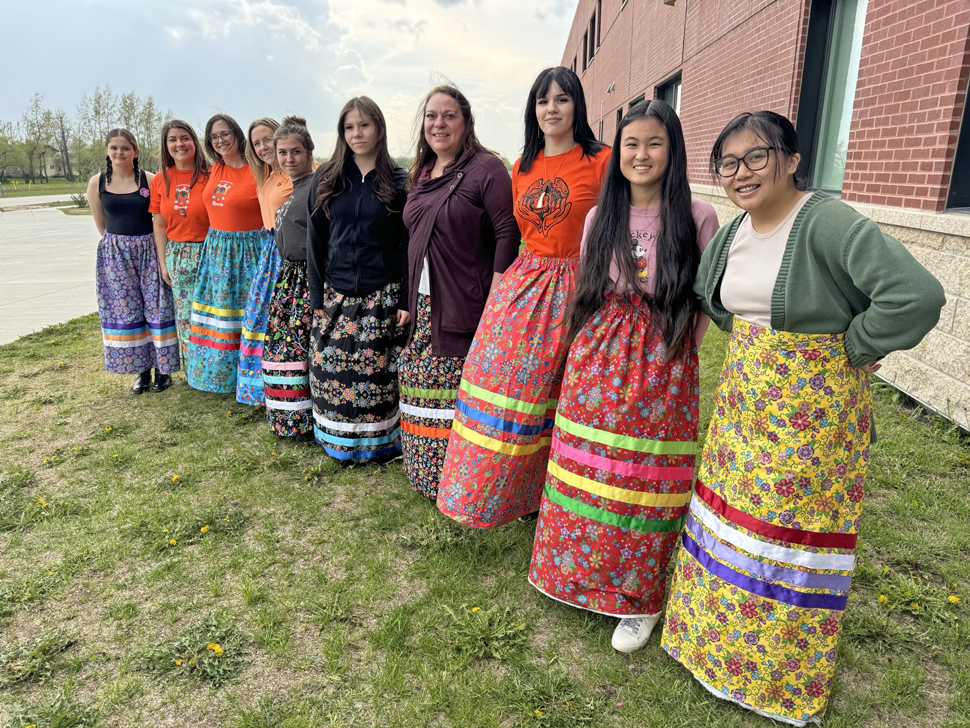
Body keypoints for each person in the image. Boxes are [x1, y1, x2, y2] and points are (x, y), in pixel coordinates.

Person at [660, 110, 945, 726]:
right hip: (746, 405)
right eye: (729, 164)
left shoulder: (827, 222)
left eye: (757, 157)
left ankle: (774, 678)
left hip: (811, 415)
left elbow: (916, 296)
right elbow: (719, 299)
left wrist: (855, 346)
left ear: (791, 160)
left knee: (788, 538)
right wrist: (760, 352)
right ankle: (714, 650)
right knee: (734, 523)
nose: (742, 173)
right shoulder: (735, 231)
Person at [527, 100, 719, 653]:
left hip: (662, 354)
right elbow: (587, 287)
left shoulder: (699, 215)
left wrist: (679, 356)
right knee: (589, 465)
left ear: (673, 151)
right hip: (599, 351)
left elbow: (701, 299)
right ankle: (578, 575)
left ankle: (640, 598)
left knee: (643, 474)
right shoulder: (599, 215)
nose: (640, 154)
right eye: (631, 143)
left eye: (654, 143)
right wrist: (580, 353)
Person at [436, 66, 609, 528]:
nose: (551, 109)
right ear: (533, 110)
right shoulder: (523, 166)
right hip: (526, 283)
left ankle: (554, 497)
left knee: (567, 392)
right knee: (510, 386)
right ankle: (502, 493)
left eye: (562, 99)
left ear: (578, 105)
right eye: (542, 101)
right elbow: (509, 232)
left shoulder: (602, 160)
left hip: (581, 285)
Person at [399, 85, 519, 499]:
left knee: (457, 397)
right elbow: (412, 238)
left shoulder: (487, 169)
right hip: (422, 303)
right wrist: (406, 301)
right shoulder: (423, 173)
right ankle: (426, 477)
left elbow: (507, 230)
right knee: (421, 391)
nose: (439, 124)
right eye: (431, 116)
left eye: (449, 115)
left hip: (467, 301)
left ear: (465, 121)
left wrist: (498, 297)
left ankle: (464, 484)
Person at [306, 97, 410, 460]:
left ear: (379, 128)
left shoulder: (398, 180)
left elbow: (407, 244)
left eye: (364, 125)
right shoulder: (328, 177)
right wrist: (316, 298)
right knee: (331, 368)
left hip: (382, 294)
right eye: (349, 127)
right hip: (336, 293)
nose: (356, 133)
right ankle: (337, 442)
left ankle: (380, 446)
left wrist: (405, 301)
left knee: (376, 375)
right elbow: (315, 239)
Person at [88, 128, 179, 394]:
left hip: (150, 248)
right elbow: (101, 223)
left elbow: (161, 217)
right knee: (129, 311)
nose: (120, 152)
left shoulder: (149, 180)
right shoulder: (98, 183)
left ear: (135, 152)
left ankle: (164, 370)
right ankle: (141, 371)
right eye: (114, 148)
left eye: (125, 148)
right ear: (107, 150)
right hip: (116, 253)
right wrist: (119, 247)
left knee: (158, 307)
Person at [187, 114, 268, 394]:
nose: (220, 141)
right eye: (214, 137)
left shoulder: (257, 169)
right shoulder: (214, 169)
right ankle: (218, 376)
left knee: (249, 316)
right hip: (217, 251)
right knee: (219, 313)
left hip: (249, 251)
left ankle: (253, 378)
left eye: (225, 134)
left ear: (237, 134)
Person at [261, 116, 316, 436]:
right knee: (286, 350)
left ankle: (305, 420)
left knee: (300, 348)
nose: (288, 159)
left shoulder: (318, 186)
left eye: (295, 152)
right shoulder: (293, 187)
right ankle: (289, 417)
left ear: (309, 153)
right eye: (282, 152)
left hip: (308, 277)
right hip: (288, 278)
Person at [237, 117, 289, 406]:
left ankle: (285, 390)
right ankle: (262, 388)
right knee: (261, 319)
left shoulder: (302, 172)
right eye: (256, 143)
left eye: (267, 139)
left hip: (289, 253)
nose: (262, 147)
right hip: (269, 252)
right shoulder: (268, 176)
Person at [150, 120, 210, 368]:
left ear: (194, 141)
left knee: (213, 311)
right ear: (166, 146)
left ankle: (218, 367)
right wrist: (164, 262)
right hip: (178, 253)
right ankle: (194, 367)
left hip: (211, 251)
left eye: (184, 138)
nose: (179, 144)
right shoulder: (161, 180)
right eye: (172, 139)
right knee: (186, 314)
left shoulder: (212, 174)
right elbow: (159, 224)